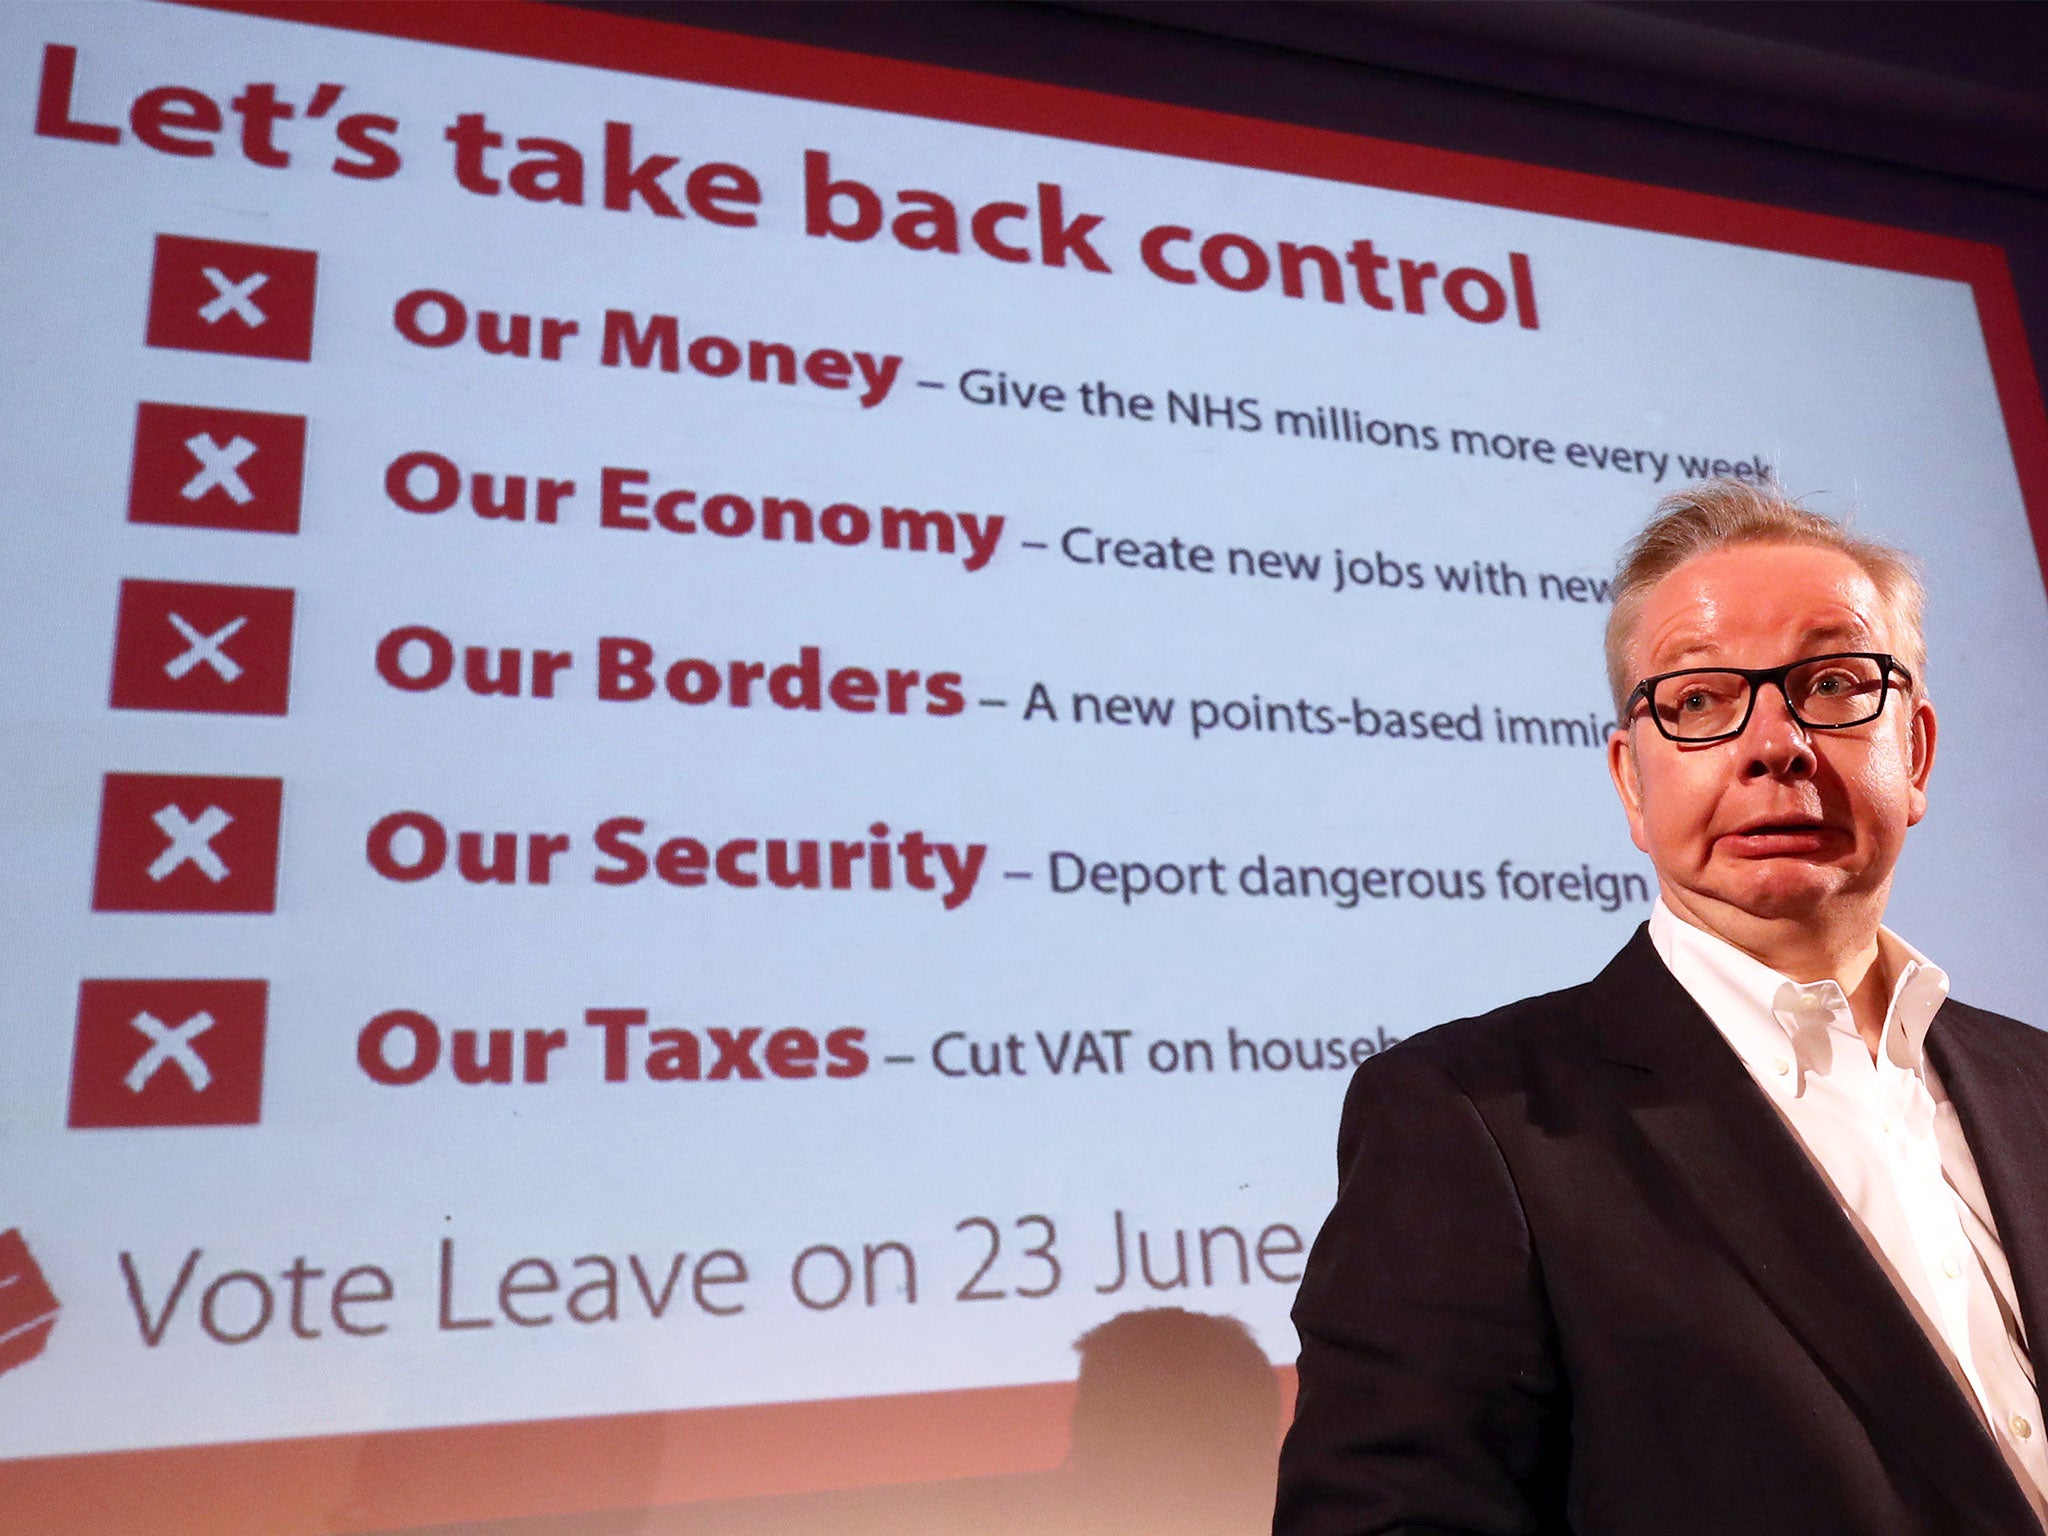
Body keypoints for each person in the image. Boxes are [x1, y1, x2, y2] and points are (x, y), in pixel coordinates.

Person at [1274, 481, 2048, 1536]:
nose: (1774, 744)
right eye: (1697, 700)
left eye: (1830, 683)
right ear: (1632, 784)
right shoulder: (1471, 1119)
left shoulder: (2030, 1082)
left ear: (1912, 753)